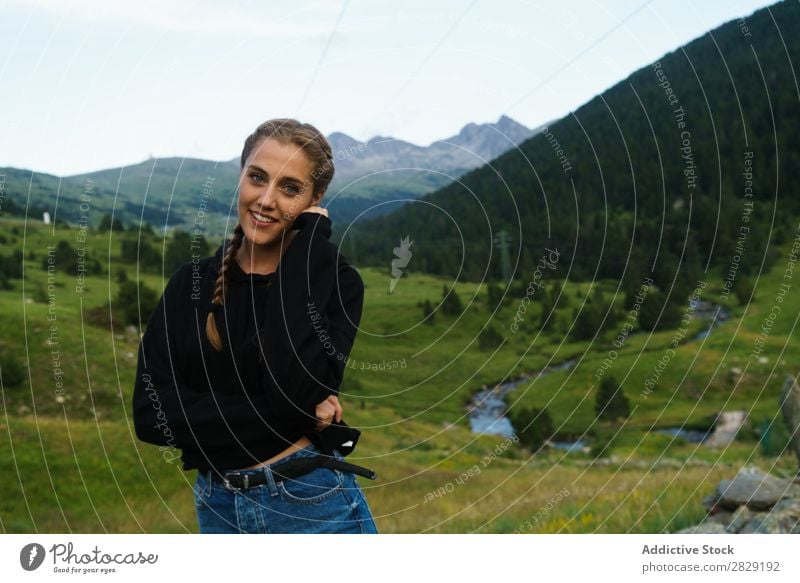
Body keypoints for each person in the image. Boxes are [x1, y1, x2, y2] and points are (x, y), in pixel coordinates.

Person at [132, 118, 378, 534]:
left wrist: (309, 243)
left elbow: (291, 387)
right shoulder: (190, 284)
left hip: (313, 505)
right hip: (218, 507)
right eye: (257, 178)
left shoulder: (337, 284)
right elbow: (150, 415)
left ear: (314, 200)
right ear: (241, 176)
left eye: (290, 189)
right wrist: (295, 415)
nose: (265, 200)